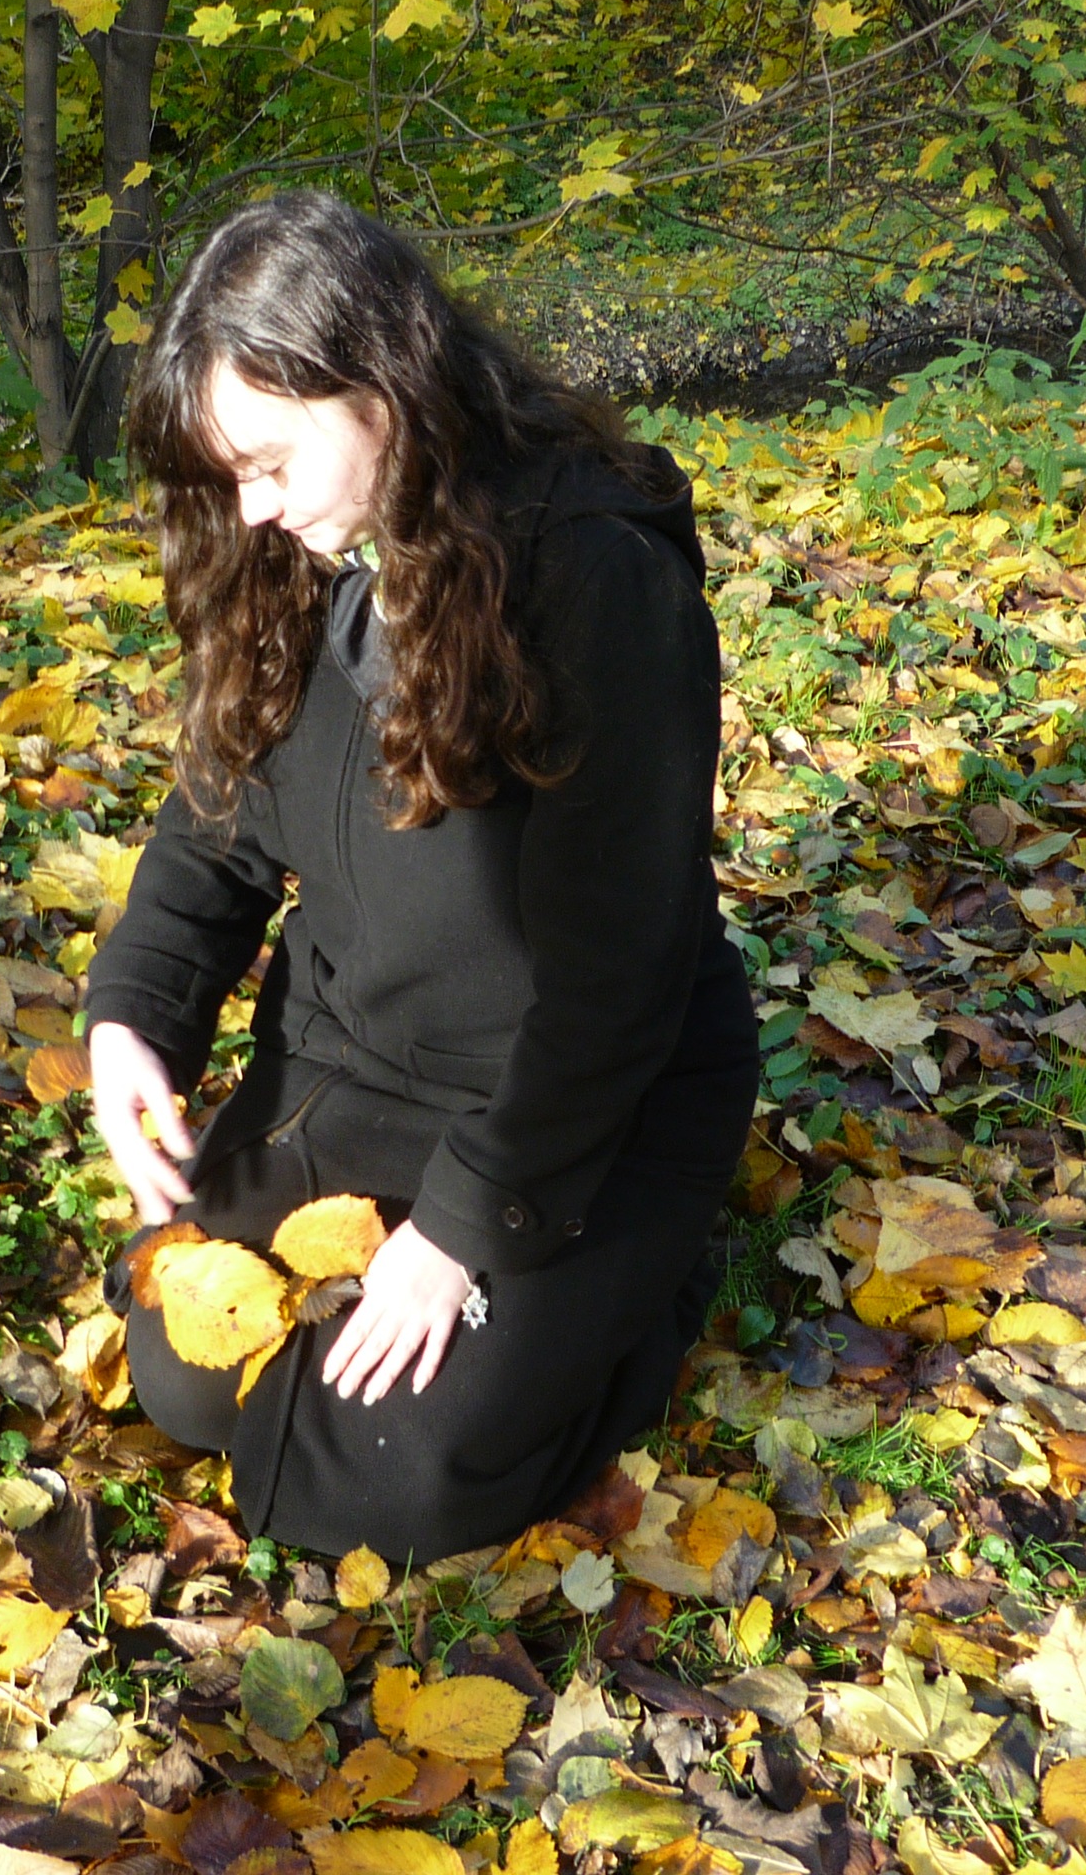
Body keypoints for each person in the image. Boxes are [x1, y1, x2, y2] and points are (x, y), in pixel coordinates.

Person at [81, 188, 759, 1566]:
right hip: (365, 1063)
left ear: (379, 391)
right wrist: (133, 1015)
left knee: (379, 1478)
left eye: (270, 462)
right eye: (228, 476)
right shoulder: (292, 555)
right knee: (185, 1374)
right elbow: (218, 814)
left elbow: (617, 978)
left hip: (581, 1104)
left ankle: (644, 1290)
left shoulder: (596, 584)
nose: (253, 509)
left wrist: (459, 1232)